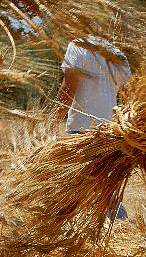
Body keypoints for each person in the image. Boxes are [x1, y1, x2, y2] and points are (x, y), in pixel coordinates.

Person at [55, 35, 132, 218]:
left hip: (81, 129)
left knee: (73, 190)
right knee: (105, 190)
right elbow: (129, 97)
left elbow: (69, 87)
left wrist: (52, 120)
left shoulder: (77, 46)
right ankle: (116, 225)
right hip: (108, 133)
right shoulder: (118, 55)